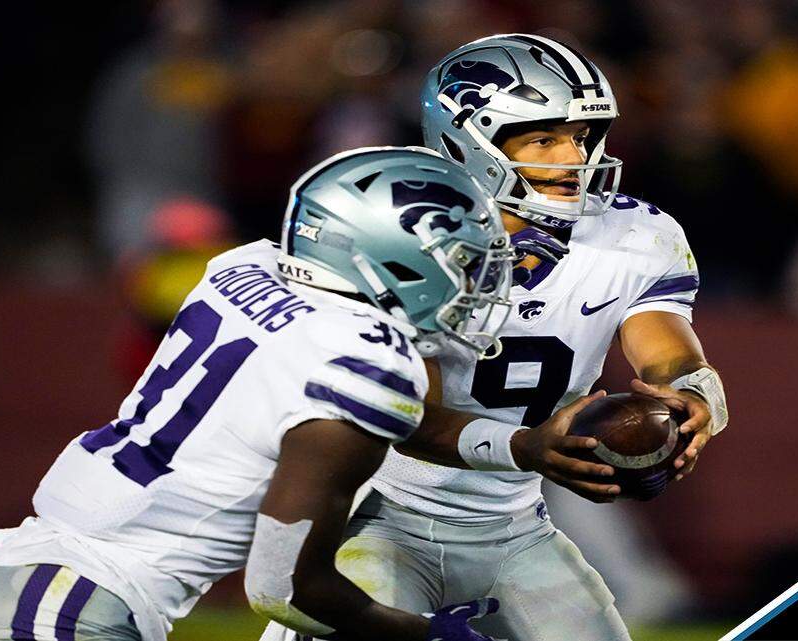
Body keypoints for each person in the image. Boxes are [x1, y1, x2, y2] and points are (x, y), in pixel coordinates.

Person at [263, 34, 730, 641]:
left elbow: (664, 346)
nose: (574, 158)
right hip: (378, 517)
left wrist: (694, 395)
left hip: (516, 528)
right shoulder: (404, 234)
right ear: (471, 142)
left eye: (580, 137)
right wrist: (524, 447)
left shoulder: (633, 235)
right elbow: (409, 420)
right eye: (544, 138)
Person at [0, 147, 516, 641]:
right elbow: (284, 589)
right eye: (462, 264)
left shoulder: (245, 266)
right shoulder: (367, 365)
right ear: (395, 257)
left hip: (54, 580)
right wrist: (425, 633)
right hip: (68, 604)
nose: (474, 286)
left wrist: (519, 444)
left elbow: (374, 418)